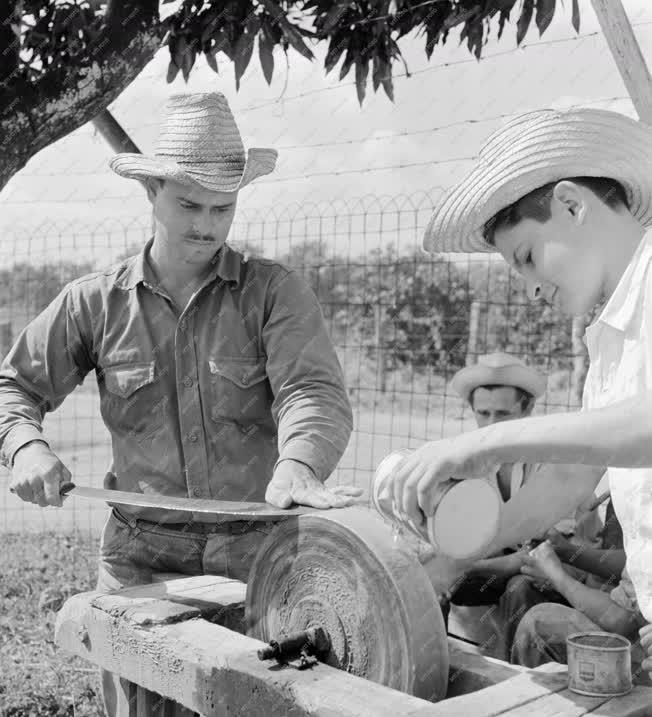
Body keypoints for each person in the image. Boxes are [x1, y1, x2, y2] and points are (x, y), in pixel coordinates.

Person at [0, 92, 357, 714]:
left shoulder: (274, 292)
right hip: (142, 559)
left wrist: (299, 463)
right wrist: (25, 446)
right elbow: (14, 387)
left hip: (260, 552)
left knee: (263, 702)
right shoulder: (94, 303)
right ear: (152, 193)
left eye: (223, 207)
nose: (206, 224)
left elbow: (313, 390)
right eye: (188, 203)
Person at [385, 107, 652, 674]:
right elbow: (567, 477)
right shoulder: (608, 340)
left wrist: (488, 445)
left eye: (527, 257)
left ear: (572, 205)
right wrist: (452, 558)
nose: (530, 289)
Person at [446, 352, 601, 659]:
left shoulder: (555, 460)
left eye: (502, 414)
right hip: (509, 562)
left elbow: (542, 555)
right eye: (483, 413)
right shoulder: (471, 463)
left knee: (520, 587)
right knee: (436, 583)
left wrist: (467, 564)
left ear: (527, 408)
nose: (491, 426)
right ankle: (433, 671)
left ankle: (514, 683)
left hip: (561, 573)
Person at [512, 517, 650, 685]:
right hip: (632, 636)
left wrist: (556, 577)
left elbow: (620, 620)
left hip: (641, 669)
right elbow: (633, 562)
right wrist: (567, 551)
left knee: (538, 621)